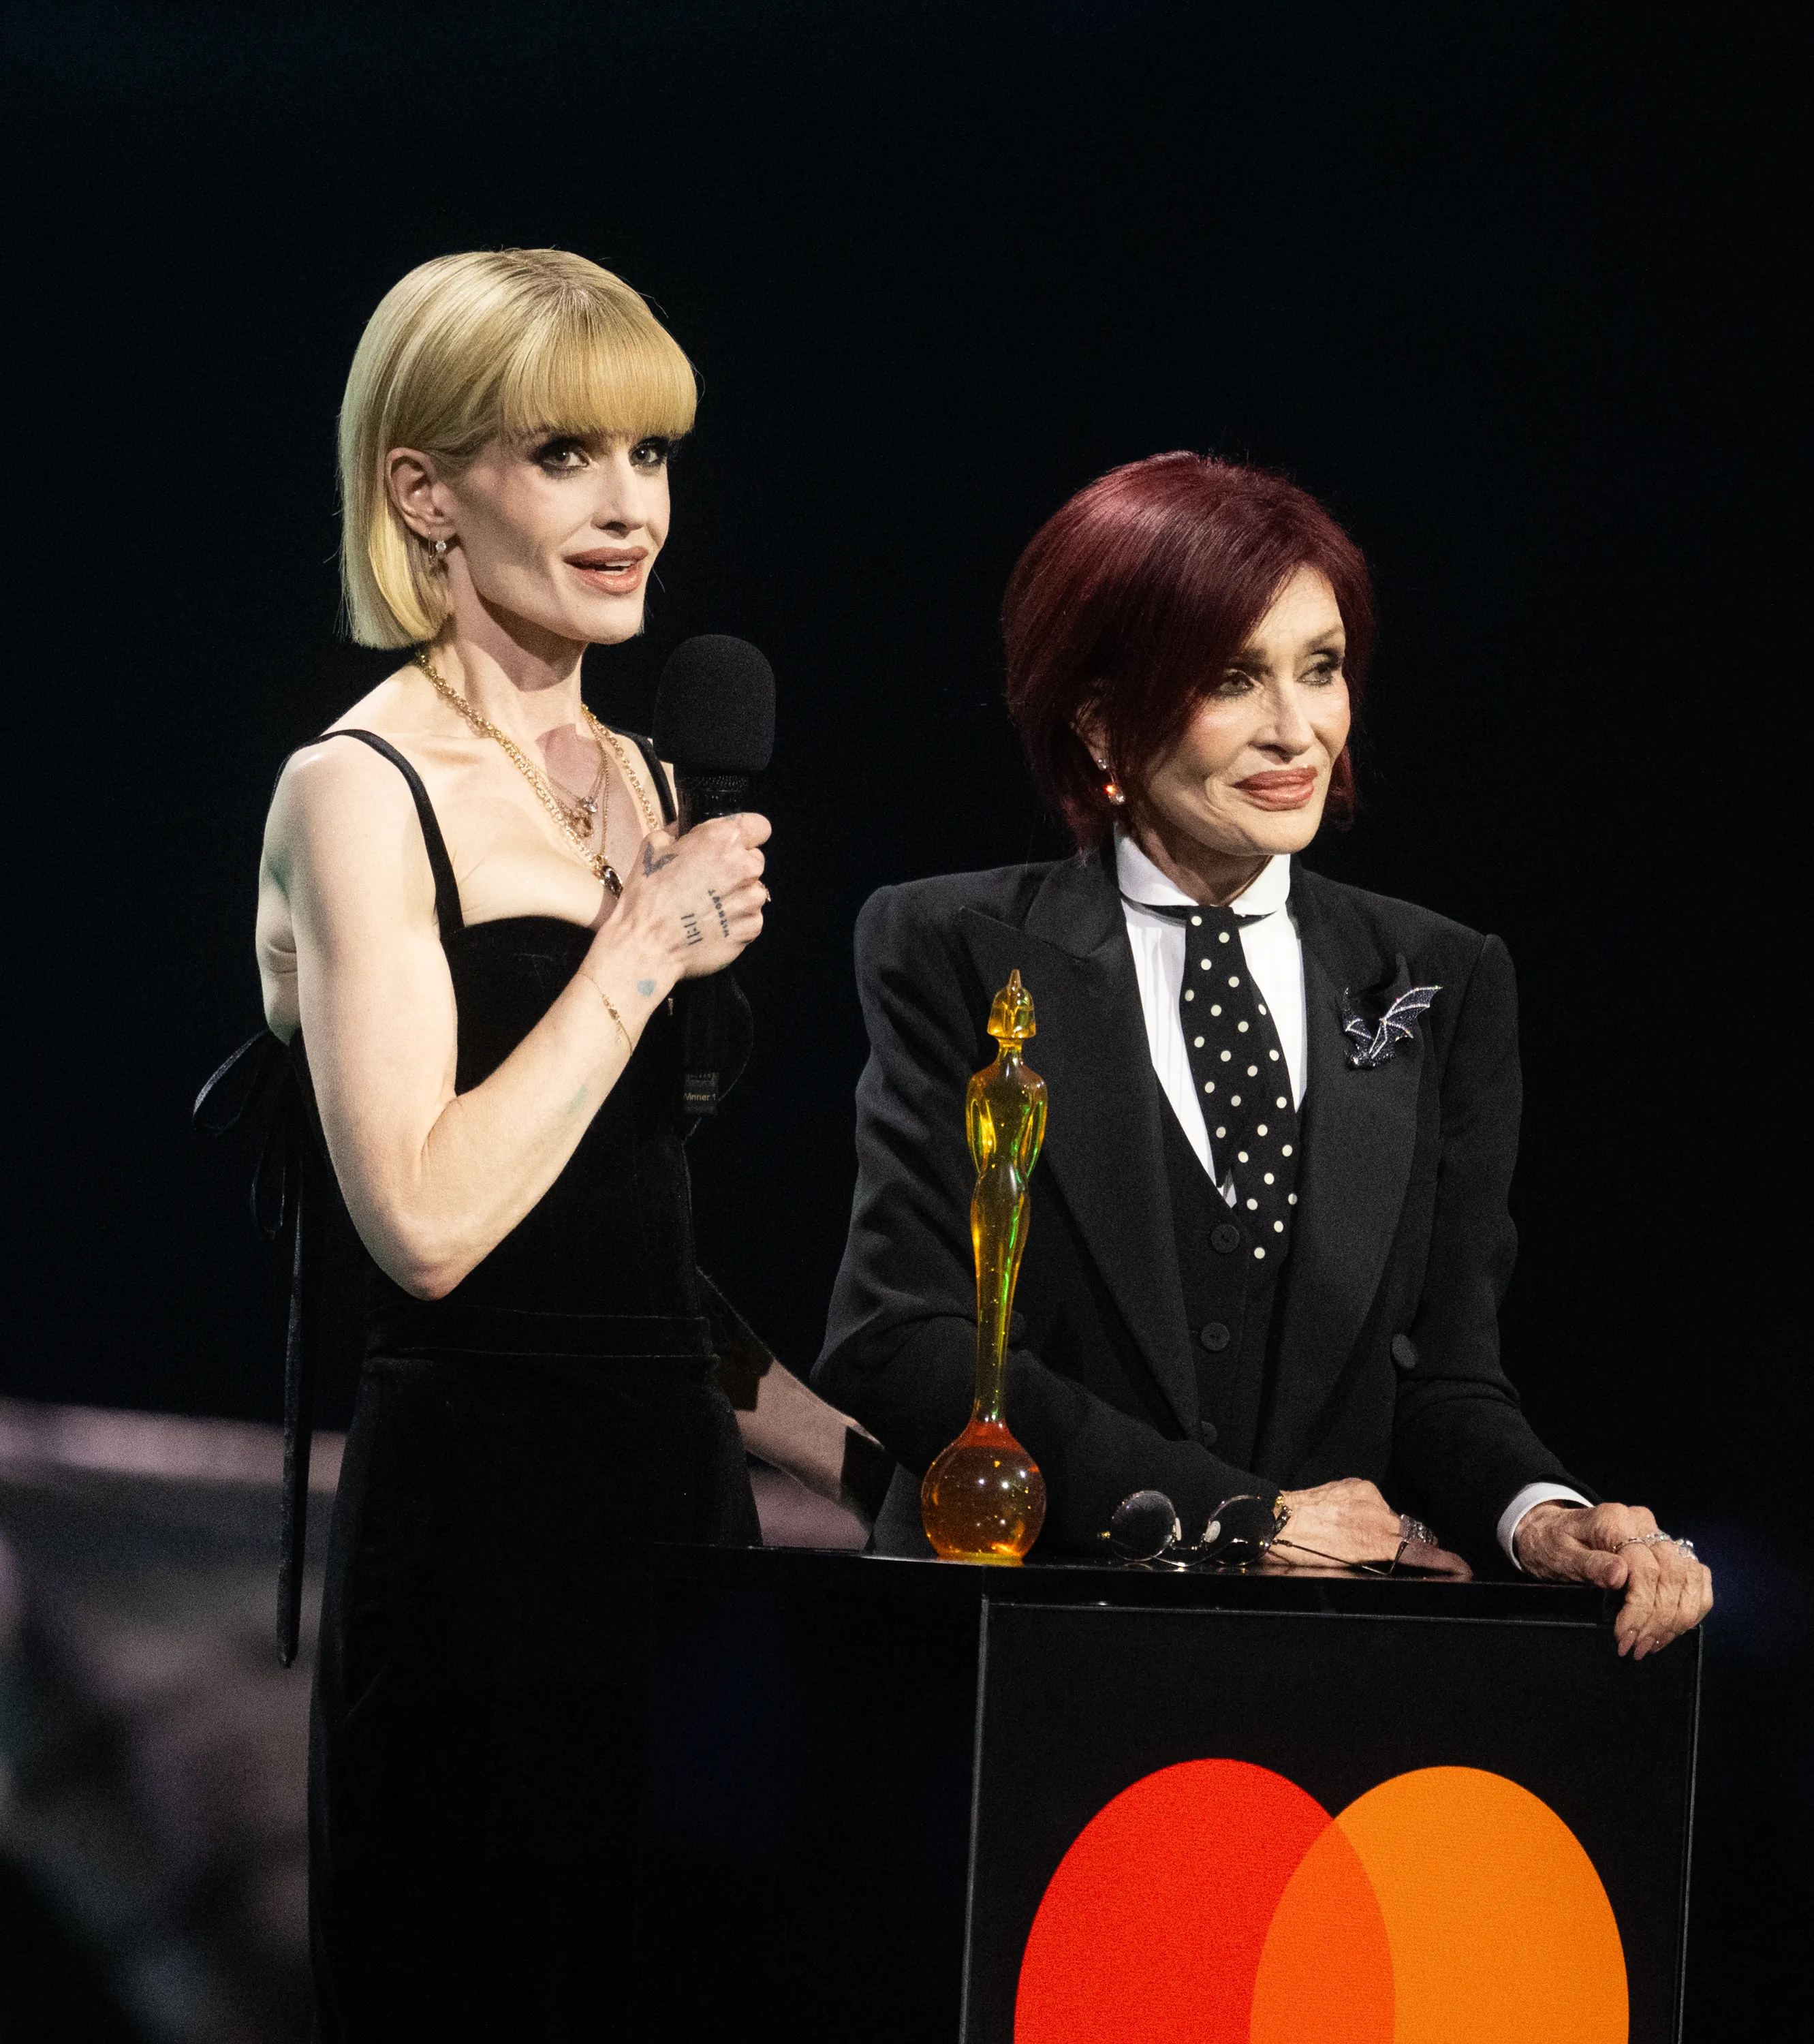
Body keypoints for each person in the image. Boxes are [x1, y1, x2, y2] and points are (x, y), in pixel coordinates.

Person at [814, 452, 1711, 1660]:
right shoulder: (952, 949)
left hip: (1313, 1674)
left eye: (1321, 668)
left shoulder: (1438, 980)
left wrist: (1539, 1519)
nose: (1298, 731)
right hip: (1020, 1645)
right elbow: (898, 1342)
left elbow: (1444, 1377)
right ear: (1097, 720)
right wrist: (1236, 1519)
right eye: (1232, 679)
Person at [254, 249, 770, 2039]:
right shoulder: (359, 787)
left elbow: (623, 1241)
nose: (629, 507)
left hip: (677, 1520)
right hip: (484, 1543)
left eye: (650, 455)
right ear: (423, 491)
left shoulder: (646, 776)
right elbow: (429, 1221)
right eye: (565, 456)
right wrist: (635, 955)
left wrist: (850, 1457)